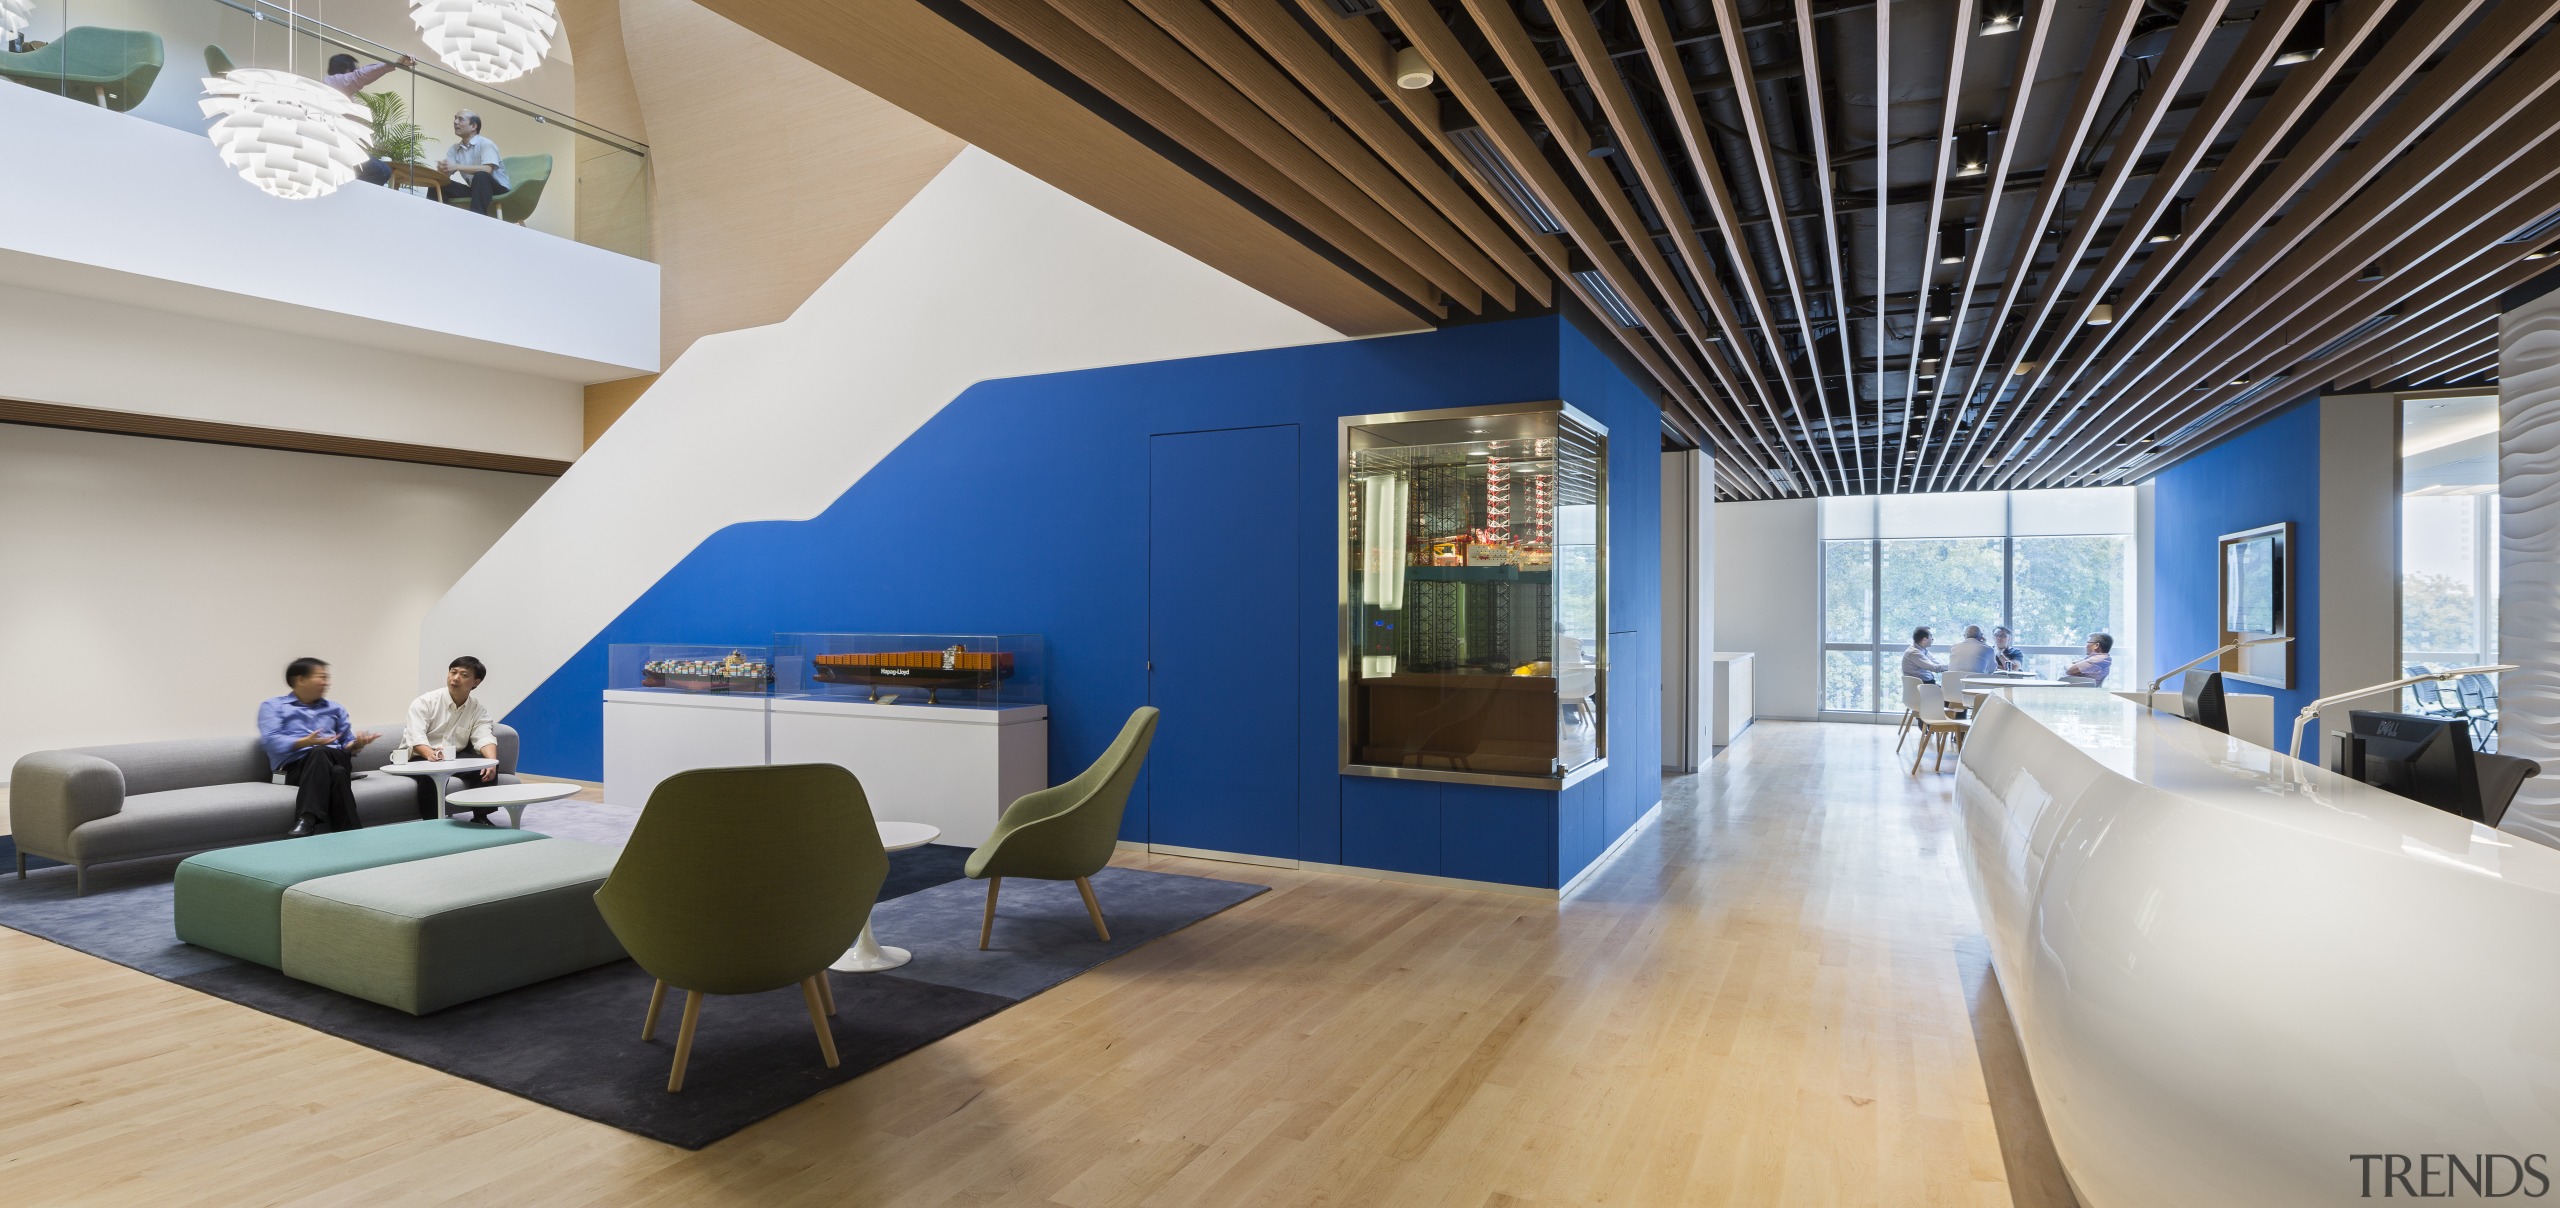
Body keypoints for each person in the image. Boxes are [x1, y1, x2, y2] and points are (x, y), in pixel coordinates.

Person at [258, 658, 381, 838]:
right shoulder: (274, 707)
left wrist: (357, 744)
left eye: (327, 678)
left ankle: (307, 818)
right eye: (321, 677)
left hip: (334, 756)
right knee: (337, 773)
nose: (326, 683)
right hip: (292, 770)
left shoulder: (335, 708)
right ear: (300, 680)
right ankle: (351, 836)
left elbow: (346, 743)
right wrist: (304, 742)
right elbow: (270, 741)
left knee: (321, 752)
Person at [400, 655, 502, 820]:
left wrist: (491, 763)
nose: (455, 678)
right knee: (432, 774)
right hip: (418, 755)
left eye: (464, 675)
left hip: (451, 756)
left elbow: (484, 736)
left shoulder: (477, 709)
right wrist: (431, 755)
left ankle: (481, 818)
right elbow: (416, 736)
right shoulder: (425, 702)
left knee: (485, 766)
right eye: (453, 672)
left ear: (476, 682)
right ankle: (432, 823)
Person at [324, 52, 416, 186]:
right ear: (346, 70)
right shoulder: (333, 82)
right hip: (336, 149)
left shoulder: (336, 90)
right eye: (355, 69)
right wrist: (395, 64)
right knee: (382, 171)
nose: (357, 71)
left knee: (379, 170)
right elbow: (359, 76)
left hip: (338, 147)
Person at [437, 110, 511, 217]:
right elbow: (447, 174)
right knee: (440, 184)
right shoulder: (454, 149)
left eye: (460, 119)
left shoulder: (486, 144)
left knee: (481, 175)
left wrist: (457, 166)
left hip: (500, 190)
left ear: (473, 126)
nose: (455, 122)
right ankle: (434, 219)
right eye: (455, 118)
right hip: (477, 190)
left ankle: (476, 221)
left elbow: (487, 169)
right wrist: (443, 169)